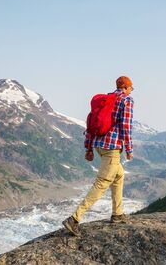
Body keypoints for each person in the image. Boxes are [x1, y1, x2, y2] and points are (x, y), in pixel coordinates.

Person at [62, 76, 134, 236]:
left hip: (99, 146)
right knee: (102, 183)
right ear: (127, 88)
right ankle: (74, 219)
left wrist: (88, 148)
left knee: (118, 176)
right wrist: (129, 148)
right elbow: (126, 126)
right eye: (131, 88)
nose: (131, 91)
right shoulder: (126, 100)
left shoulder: (105, 99)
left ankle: (117, 213)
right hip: (112, 147)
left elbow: (91, 123)